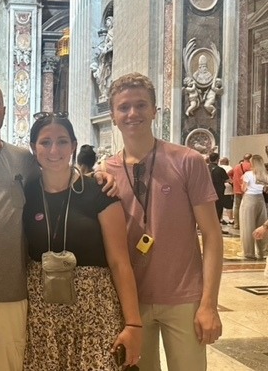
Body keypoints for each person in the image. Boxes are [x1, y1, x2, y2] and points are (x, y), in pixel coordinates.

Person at [0, 79, 116, 370]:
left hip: (13, 296)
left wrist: (98, 175)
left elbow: (59, 172)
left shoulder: (25, 161)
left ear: (3, 111)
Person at [103, 73, 223, 370]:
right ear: (113, 116)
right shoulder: (106, 171)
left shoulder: (188, 161)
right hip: (132, 303)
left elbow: (212, 235)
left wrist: (209, 304)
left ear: (155, 111)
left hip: (183, 298)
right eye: (124, 107)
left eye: (141, 105)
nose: (133, 113)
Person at [23, 114, 141, 370]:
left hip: (94, 312)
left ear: (74, 145)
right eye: (45, 142)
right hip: (43, 316)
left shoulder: (99, 191)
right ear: (33, 148)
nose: (54, 150)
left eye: (62, 141)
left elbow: (120, 261)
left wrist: (133, 324)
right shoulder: (25, 193)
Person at [239, 154, 268, 260]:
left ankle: (249, 253)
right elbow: (265, 190)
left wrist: (242, 182)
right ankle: (263, 252)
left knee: (247, 226)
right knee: (261, 225)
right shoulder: (265, 175)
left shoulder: (248, 174)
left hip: (249, 199)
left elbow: (243, 189)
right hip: (260, 200)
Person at [229, 154, 252, 236]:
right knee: (246, 207)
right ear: (250, 159)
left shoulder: (237, 166)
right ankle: (244, 224)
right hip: (247, 190)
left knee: (236, 207)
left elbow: (229, 173)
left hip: (237, 189)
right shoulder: (251, 166)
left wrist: (233, 180)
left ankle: (236, 224)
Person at [207, 152, 229, 227]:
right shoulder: (220, 169)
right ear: (217, 159)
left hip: (206, 191)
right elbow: (227, 180)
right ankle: (216, 225)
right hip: (218, 192)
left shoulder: (205, 168)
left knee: (207, 208)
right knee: (218, 209)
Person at [218, 157, 234, 224]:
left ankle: (220, 218)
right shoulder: (230, 168)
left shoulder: (218, 168)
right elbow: (231, 178)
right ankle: (230, 219)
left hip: (219, 188)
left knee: (220, 204)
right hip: (228, 187)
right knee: (229, 204)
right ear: (227, 162)